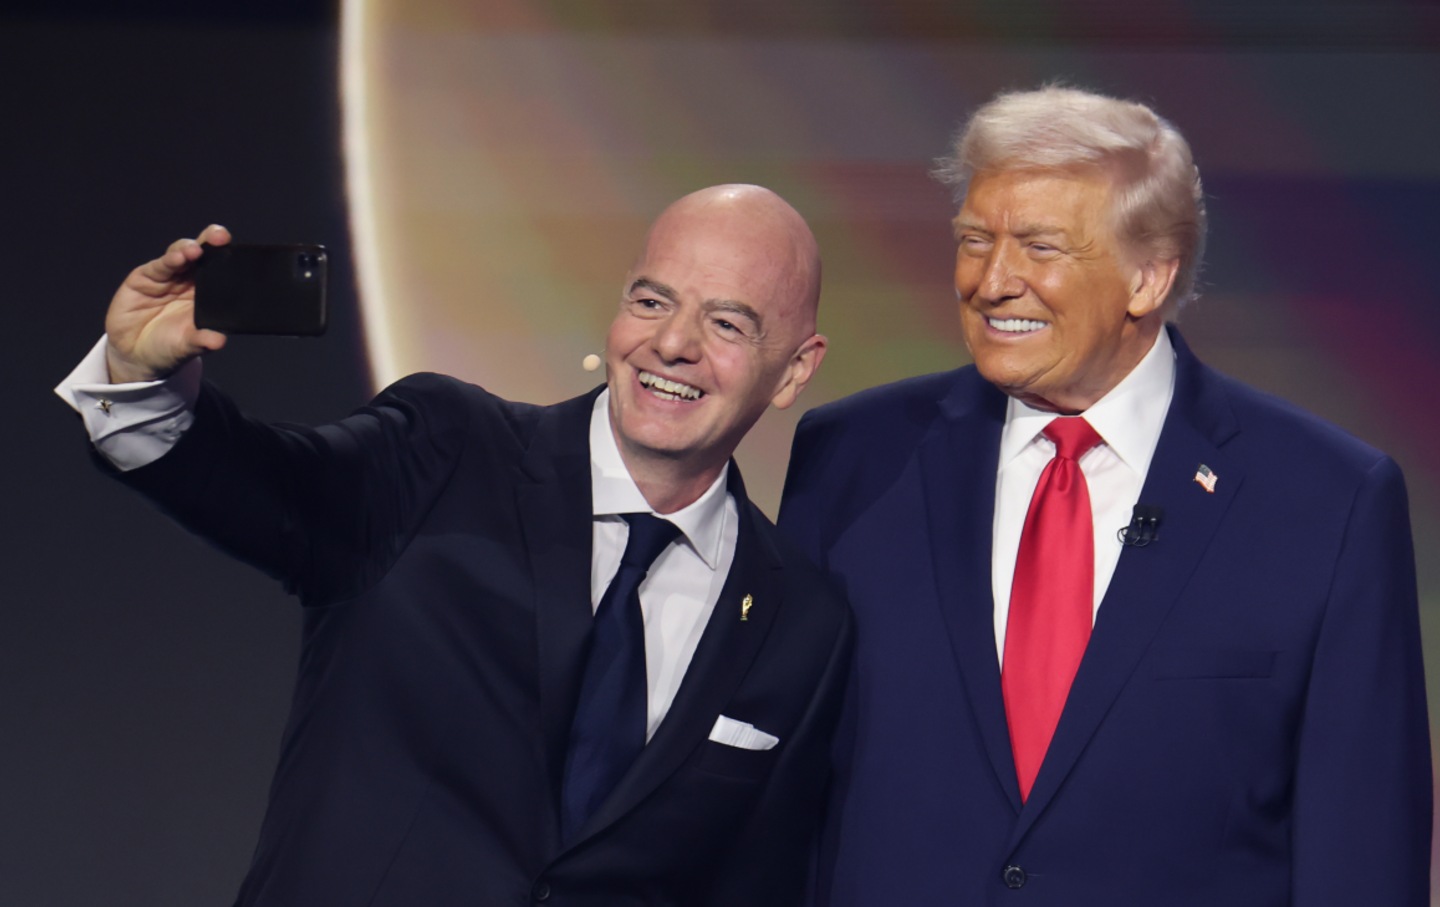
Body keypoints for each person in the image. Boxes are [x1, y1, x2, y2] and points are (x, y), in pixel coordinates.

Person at [56, 184, 852, 906]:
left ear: (793, 370)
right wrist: (140, 380)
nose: (672, 342)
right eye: (652, 300)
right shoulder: (446, 449)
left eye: (726, 323)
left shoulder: (800, 623)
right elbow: (268, 488)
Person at [779, 87, 1430, 906]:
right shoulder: (852, 458)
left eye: (1040, 246)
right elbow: (774, 803)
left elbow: (1364, 856)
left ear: (1147, 277)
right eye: (975, 240)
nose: (992, 281)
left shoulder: (1325, 502)